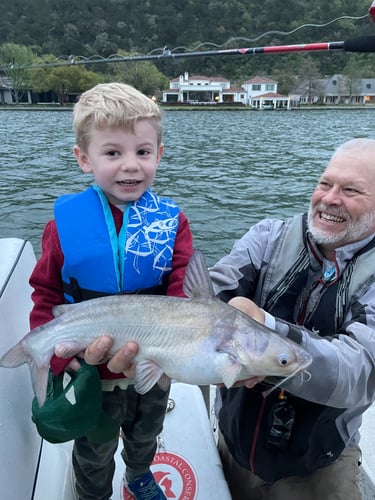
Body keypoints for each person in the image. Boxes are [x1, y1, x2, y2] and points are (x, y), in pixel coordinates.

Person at [84, 137, 375, 500]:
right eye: (325, 183)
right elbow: (212, 292)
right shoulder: (270, 237)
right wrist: (150, 334)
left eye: (351, 190)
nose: (330, 198)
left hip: (319, 461)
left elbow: (361, 372)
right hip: (236, 442)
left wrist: (269, 331)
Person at [29, 82, 194, 500]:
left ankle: (138, 475)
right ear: (84, 159)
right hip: (92, 375)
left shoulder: (173, 223)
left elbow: (183, 288)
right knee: (94, 450)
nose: (130, 166)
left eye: (142, 152)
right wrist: (54, 356)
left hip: (152, 365)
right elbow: (45, 293)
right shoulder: (61, 228)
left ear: (159, 154)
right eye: (112, 153)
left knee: (146, 434)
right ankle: (93, 494)